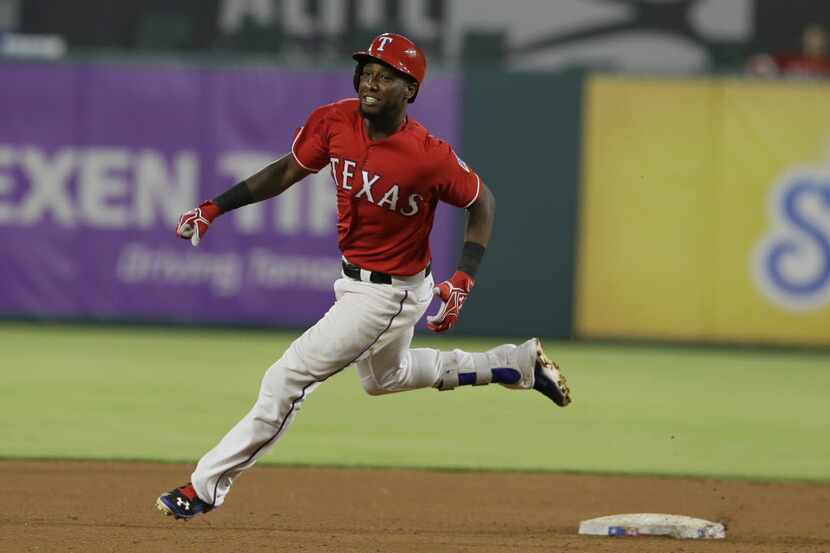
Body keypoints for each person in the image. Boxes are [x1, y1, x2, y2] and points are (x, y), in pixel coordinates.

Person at [155, 32, 572, 520]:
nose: (371, 82)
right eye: (367, 72)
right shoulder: (334, 121)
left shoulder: (428, 155)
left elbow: (483, 201)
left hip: (389, 294)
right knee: (384, 379)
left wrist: (464, 278)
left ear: (410, 90)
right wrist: (213, 208)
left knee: (286, 379)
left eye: (386, 75)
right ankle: (514, 363)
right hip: (355, 280)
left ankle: (205, 487)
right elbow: (286, 172)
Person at [748, 24, 830, 78]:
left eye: (818, 39)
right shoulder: (790, 60)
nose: (814, 42)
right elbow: (761, 64)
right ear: (804, 40)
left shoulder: (827, 64)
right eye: (811, 38)